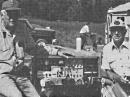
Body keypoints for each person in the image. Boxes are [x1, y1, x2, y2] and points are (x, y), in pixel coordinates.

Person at [0, 8, 40, 97]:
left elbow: (33, 48)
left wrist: (55, 51)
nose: (12, 18)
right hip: (2, 75)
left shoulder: (22, 28)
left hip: (20, 74)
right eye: (9, 14)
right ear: (2, 15)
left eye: (15, 14)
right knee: (17, 96)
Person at [101, 18, 130, 97]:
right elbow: (106, 71)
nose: (116, 33)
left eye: (119, 30)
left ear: (124, 32)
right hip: (115, 84)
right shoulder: (106, 49)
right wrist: (119, 78)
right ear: (111, 32)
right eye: (114, 30)